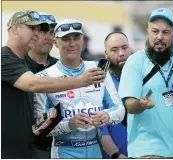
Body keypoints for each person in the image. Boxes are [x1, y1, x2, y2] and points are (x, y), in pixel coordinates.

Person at [1, 10, 105, 159]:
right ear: (16, 29)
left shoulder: (22, 62)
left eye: (41, 30)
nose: (37, 34)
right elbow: (33, 84)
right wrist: (81, 81)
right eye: (33, 28)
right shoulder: (4, 58)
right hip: (10, 152)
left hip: (36, 149)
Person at [33, 18, 126, 159]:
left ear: (83, 40)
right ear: (55, 43)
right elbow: (40, 126)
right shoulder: (44, 77)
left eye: (76, 38)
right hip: (64, 152)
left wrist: (107, 116)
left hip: (95, 151)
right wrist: (70, 124)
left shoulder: (98, 70)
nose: (72, 44)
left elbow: (120, 109)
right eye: (65, 39)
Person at [118, 8, 173, 158]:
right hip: (148, 149)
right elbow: (129, 105)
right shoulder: (135, 61)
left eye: (165, 32)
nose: (159, 37)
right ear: (148, 32)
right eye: (155, 31)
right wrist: (140, 105)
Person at [25, 12, 58, 158]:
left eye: (52, 32)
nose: (49, 37)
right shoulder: (18, 67)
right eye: (43, 31)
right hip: (27, 149)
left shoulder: (61, 67)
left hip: (61, 147)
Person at [101, 31, 132, 159]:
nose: (121, 53)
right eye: (114, 50)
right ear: (106, 54)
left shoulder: (143, 78)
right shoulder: (99, 83)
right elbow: (100, 129)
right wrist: (116, 155)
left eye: (124, 48)